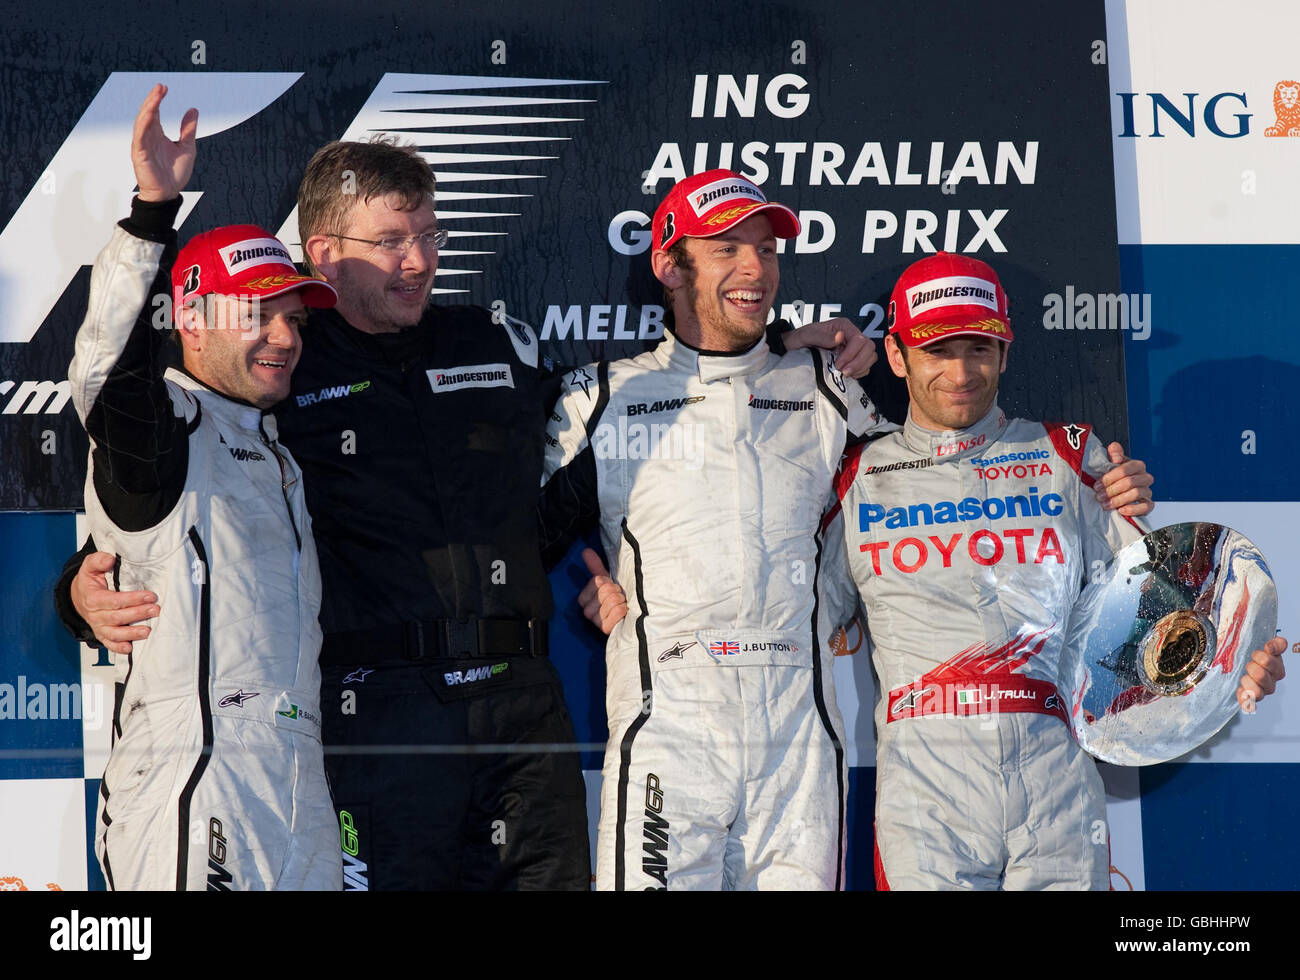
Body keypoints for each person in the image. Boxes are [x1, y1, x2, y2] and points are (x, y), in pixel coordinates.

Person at [60, 132, 591, 889]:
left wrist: (779, 348)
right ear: (325, 251)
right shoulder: (258, 390)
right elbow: (146, 481)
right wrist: (81, 584)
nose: (417, 260)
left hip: (518, 708)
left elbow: (617, 424)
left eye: (427, 236)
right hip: (372, 716)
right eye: (389, 242)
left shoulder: (495, 343)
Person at [830, 251, 1287, 890]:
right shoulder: (855, 477)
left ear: (1006, 353)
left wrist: (1232, 665)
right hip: (924, 786)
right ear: (899, 356)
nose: (962, 373)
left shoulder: (1072, 455)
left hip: (1057, 780)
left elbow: (1154, 630)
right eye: (938, 351)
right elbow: (791, 627)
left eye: (980, 349)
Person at [538, 169, 915, 889]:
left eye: (767, 250)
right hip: (668, 719)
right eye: (727, 250)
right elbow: (516, 539)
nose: (755, 269)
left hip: (799, 728)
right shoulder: (603, 396)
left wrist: (1091, 482)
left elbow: (915, 487)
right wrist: (593, 582)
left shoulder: (826, 386)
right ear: (667, 264)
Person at [71, 84, 340, 890]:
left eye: (295, 317)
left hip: (298, 783)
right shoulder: (162, 428)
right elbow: (103, 370)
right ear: (191, 317)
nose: (285, 337)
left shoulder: (280, 451)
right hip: (194, 773)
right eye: (259, 313)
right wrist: (154, 211)